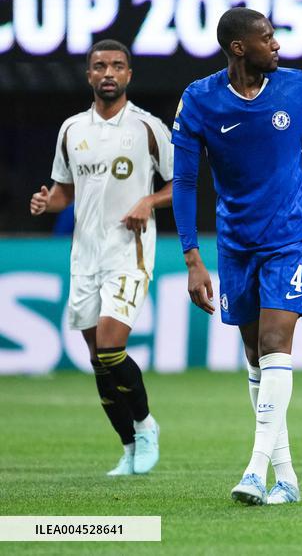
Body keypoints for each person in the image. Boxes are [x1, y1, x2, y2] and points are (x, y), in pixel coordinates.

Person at [171, 7, 302, 506]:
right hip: (236, 243)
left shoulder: (297, 88)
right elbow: (187, 181)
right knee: (257, 355)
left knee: (278, 341)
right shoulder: (200, 100)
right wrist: (192, 256)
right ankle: (288, 477)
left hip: (290, 237)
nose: (277, 44)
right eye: (267, 37)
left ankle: (255, 471)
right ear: (239, 48)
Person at [30, 39, 173, 477]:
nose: (108, 72)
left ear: (129, 75)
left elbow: (182, 185)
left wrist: (148, 202)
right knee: (97, 360)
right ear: (89, 75)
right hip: (85, 256)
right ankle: (128, 447)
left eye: (116, 66)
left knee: (111, 349)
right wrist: (46, 202)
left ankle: (147, 425)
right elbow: (65, 192)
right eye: (99, 66)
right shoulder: (72, 129)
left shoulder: (149, 128)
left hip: (128, 254)